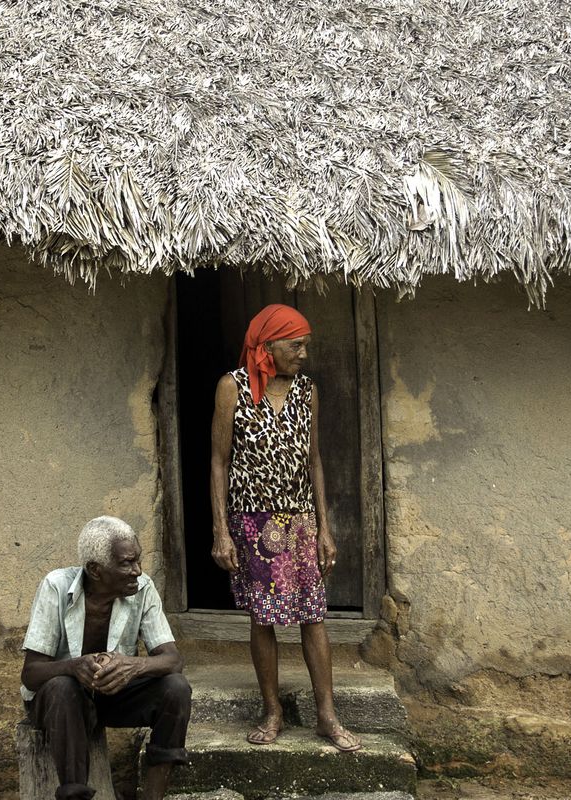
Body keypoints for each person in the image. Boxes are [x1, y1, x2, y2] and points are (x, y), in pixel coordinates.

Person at [208, 303, 361, 752]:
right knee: (262, 618)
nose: (303, 354)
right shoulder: (230, 388)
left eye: (306, 345)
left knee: (313, 616)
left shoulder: (307, 391)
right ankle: (272, 711)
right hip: (252, 522)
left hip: (299, 522)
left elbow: (314, 460)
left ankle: (326, 716)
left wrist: (324, 528)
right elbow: (218, 462)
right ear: (267, 344)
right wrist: (220, 529)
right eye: (296, 345)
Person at [21, 516, 192, 800]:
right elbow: (31, 673)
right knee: (62, 687)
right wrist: (74, 667)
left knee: (176, 688)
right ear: (95, 570)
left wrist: (134, 666)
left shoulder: (143, 588)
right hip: (59, 706)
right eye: (126, 563)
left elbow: (173, 660)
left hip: (113, 698)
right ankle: (75, 795)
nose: (136, 570)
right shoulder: (56, 587)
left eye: (137, 560)